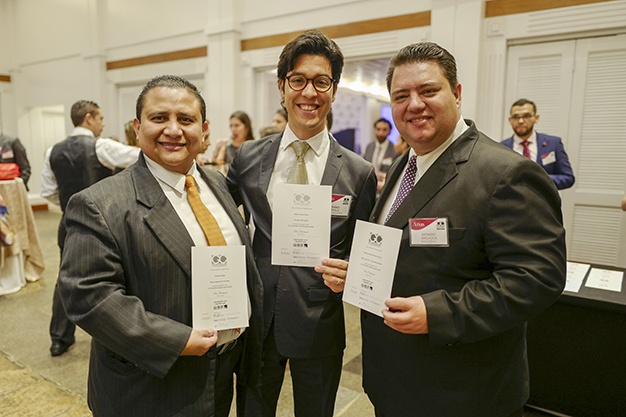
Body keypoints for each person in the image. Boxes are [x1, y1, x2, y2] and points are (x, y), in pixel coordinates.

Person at [359, 42, 566, 417]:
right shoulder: (404, 164)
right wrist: (359, 270)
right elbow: (403, 245)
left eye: (428, 90)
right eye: (401, 96)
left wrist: (439, 313)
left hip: (461, 391)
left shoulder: (506, 173)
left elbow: (537, 278)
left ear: (456, 93)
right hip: (392, 378)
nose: (414, 104)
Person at [57, 75, 263, 416]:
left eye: (186, 119)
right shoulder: (99, 203)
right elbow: (88, 295)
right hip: (150, 387)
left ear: (204, 130)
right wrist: (176, 341)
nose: (173, 130)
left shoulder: (217, 184)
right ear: (138, 128)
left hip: (222, 374)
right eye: (159, 118)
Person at [227, 30, 377, 417]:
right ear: (282, 86)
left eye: (321, 82)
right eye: (298, 80)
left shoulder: (358, 172)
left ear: (334, 90)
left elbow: (364, 251)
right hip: (257, 315)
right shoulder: (248, 157)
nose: (309, 92)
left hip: (319, 321)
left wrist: (352, 271)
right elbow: (219, 216)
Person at [40, 100, 140, 357]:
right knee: (114, 277)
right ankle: (117, 336)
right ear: (88, 118)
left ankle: (59, 338)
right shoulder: (102, 146)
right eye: (100, 118)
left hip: (68, 222)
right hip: (104, 224)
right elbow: (140, 155)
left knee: (65, 278)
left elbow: (48, 191)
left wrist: (71, 207)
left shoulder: (52, 151)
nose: (103, 124)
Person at [501, 98, 575, 190]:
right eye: (515, 117)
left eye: (527, 116)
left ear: (536, 118)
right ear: (510, 120)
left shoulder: (553, 144)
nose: (520, 121)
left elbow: (568, 178)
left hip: (544, 198)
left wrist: (537, 178)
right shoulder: (501, 148)